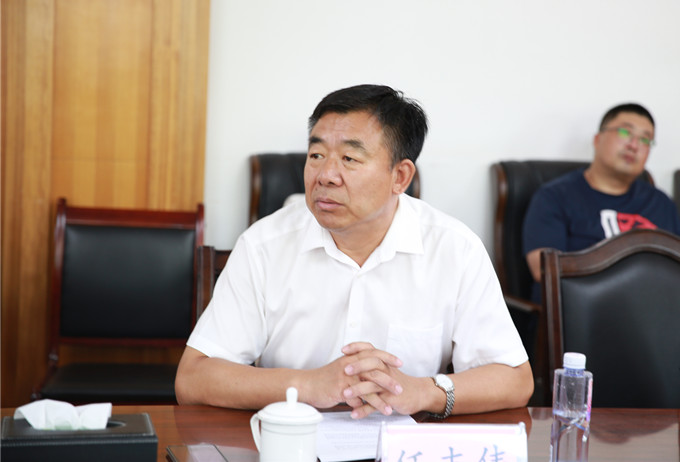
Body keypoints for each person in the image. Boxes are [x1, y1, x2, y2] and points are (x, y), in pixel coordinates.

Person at [176, 84, 533, 419]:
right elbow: (193, 378)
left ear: (400, 177)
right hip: (292, 443)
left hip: (405, 446)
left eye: (349, 158)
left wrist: (425, 392)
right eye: (316, 155)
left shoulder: (454, 248)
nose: (325, 175)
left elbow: (515, 379)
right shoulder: (264, 245)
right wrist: (308, 386)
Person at [523, 103, 680, 286]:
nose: (634, 145)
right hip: (585, 302)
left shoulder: (660, 203)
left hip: (652, 301)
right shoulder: (554, 197)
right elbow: (544, 271)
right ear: (597, 139)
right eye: (625, 132)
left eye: (645, 140)